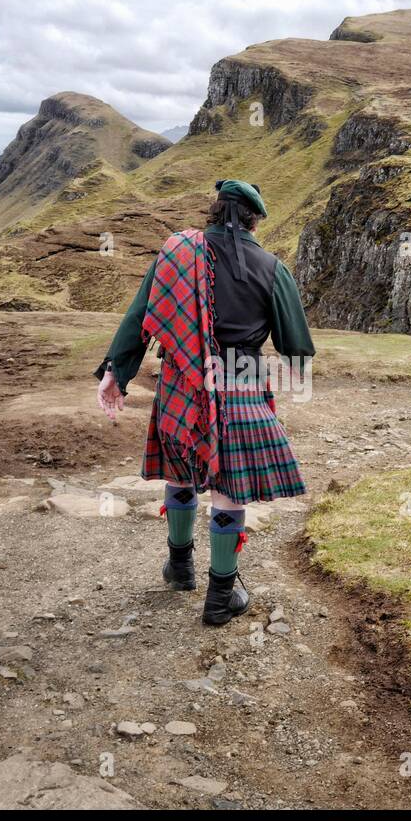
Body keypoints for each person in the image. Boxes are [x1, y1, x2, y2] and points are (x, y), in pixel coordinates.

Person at [94, 179, 315, 625]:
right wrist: (294, 366)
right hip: (241, 381)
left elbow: (141, 316)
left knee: (180, 470)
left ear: (214, 211)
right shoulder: (272, 267)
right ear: (255, 218)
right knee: (229, 489)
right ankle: (220, 597)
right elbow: (296, 347)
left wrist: (116, 372)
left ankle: (179, 569)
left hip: (181, 379)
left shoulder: (175, 256)